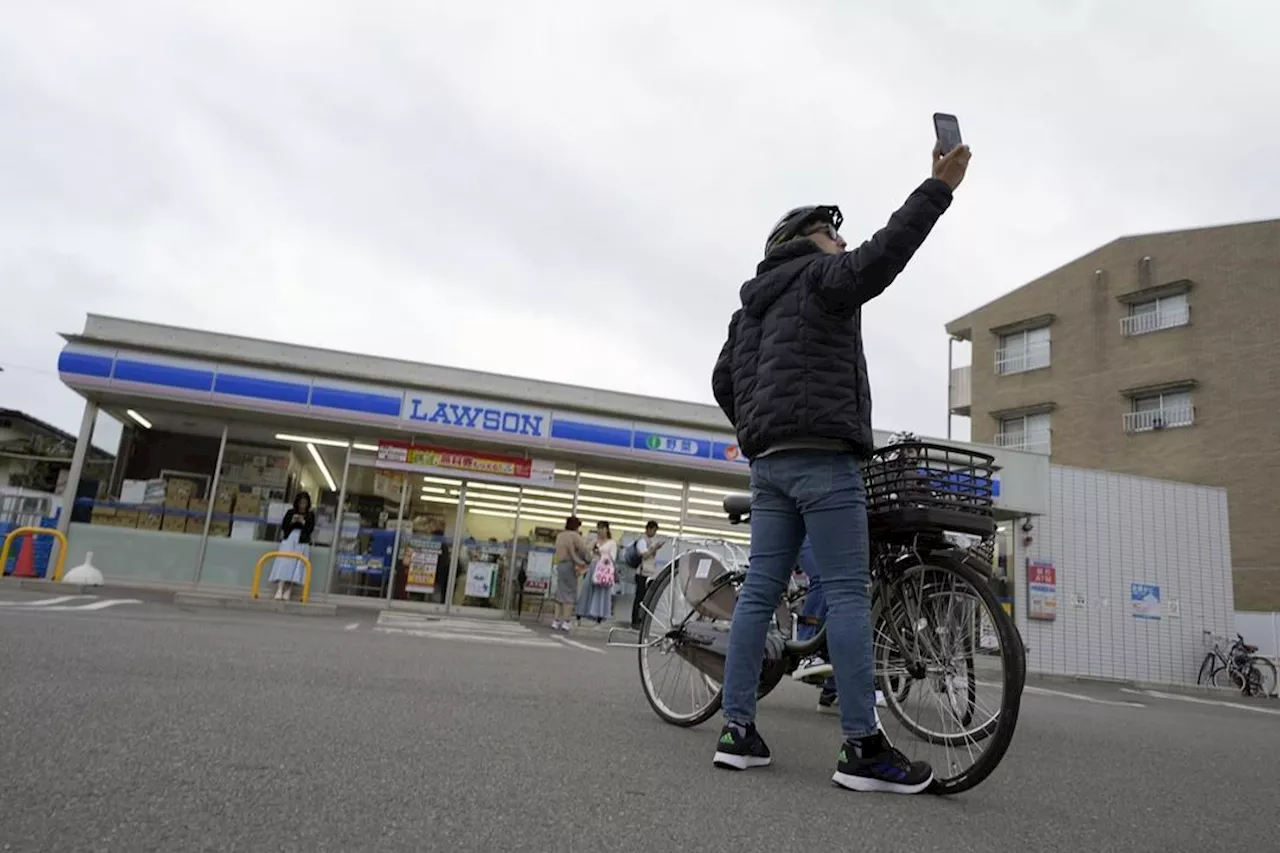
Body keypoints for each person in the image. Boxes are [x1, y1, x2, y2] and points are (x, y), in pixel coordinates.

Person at [708, 139, 972, 794]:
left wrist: (756, 430)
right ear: (801, 240)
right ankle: (861, 745)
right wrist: (938, 188)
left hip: (769, 464)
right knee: (851, 591)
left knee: (761, 592)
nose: (838, 239)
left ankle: (737, 729)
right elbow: (881, 259)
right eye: (829, 230)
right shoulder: (820, 278)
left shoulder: (750, 310)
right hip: (824, 457)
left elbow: (722, 380)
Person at [791, 537, 886, 714]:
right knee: (823, 577)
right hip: (806, 531)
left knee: (847, 596)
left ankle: (832, 690)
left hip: (833, 534)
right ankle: (807, 651)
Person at [269, 491, 315, 601]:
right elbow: (284, 527)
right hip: (289, 539)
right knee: (284, 562)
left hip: (302, 542)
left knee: (297, 566)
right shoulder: (290, 512)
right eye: (301, 502)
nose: (302, 505)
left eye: (304, 503)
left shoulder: (310, 515)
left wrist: (303, 522)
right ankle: (279, 589)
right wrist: (292, 521)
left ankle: (289, 591)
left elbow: (310, 529)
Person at [551, 516, 593, 632]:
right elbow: (584, 550)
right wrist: (587, 559)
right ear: (576, 526)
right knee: (570, 593)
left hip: (560, 565)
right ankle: (566, 621)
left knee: (560, 593)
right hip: (570, 565)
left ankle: (556, 620)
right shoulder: (574, 536)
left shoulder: (560, 536)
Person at [576, 521, 617, 624]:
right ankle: (583, 612)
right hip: (593, 566)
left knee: (601, 591)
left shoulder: (612, 543)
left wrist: (601, 554)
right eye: (598, 528)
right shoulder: (595, 541)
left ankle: (599, 614)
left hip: (603, 569)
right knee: (587, 588)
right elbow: (587, 554)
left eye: (602, 528)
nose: (600, 531)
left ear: (607, 529)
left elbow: (613, 558)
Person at [630, 521, 667, 628]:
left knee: (646, 598)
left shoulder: (650, 541)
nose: (654, 533)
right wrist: (655, 548)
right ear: (648, 529)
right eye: (653, 530)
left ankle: (642, 620)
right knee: (639, 598)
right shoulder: (642, 541)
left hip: (649, 573)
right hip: (642, 573)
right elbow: (645, 555)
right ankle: (635, 620)